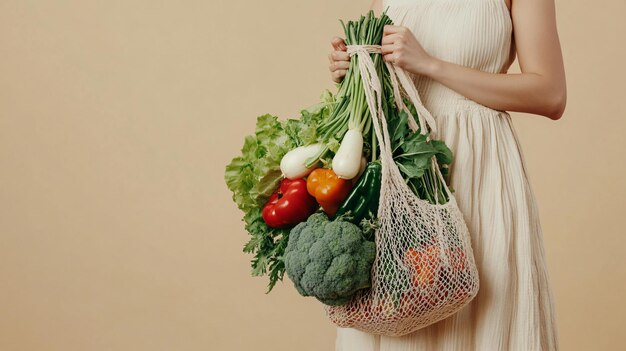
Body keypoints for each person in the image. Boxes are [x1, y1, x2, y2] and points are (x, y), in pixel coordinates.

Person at [329, 0, 565, 350]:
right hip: (405, 162)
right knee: (400, 309)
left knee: (484, 315)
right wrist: (353, 68)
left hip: (478, 166)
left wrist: (430, 64)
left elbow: (550, 94)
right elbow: (387, 81)